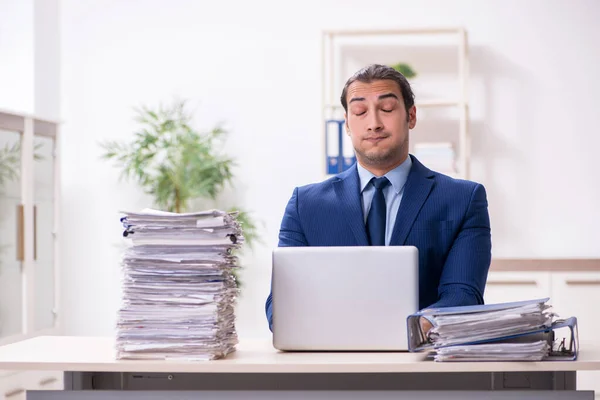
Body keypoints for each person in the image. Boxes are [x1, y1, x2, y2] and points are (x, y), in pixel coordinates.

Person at [265, 64, 492, 333]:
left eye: (386, 110)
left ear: (411, 116)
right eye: (360, 112)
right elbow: (280, 305)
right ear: (347, 124)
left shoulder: (463, 199)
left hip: (423, 362)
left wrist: (411, 331)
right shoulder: (306, 204)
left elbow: (464, 294)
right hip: (330, 361)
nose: (373, 123)